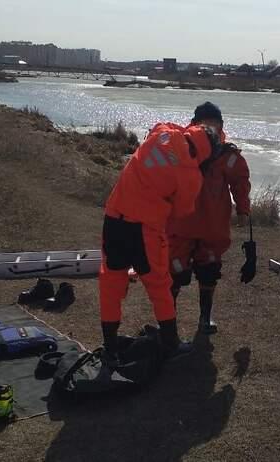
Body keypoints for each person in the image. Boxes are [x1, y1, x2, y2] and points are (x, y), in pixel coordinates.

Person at [99, 120, 222, 360]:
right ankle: (171, 342)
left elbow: (160, 124)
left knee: (111, 283)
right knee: (159, 285)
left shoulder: (163, 134)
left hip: (113, 218)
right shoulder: (191, 176)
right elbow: (181, 211)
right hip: (144, 229)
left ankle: (110, 345)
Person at [167, 102, 252, 334]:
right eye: (204, 124)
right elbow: (159, 176)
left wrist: (243, 209)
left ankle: (205, 319)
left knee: (209, 271)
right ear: (194, 124)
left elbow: (240, 181)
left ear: (221, 126)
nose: (210, 129)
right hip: (180, 225)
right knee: (174, 272)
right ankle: (167, 321)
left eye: (214, 124)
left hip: (212, 227)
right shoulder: (178, 147)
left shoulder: (228, 156)